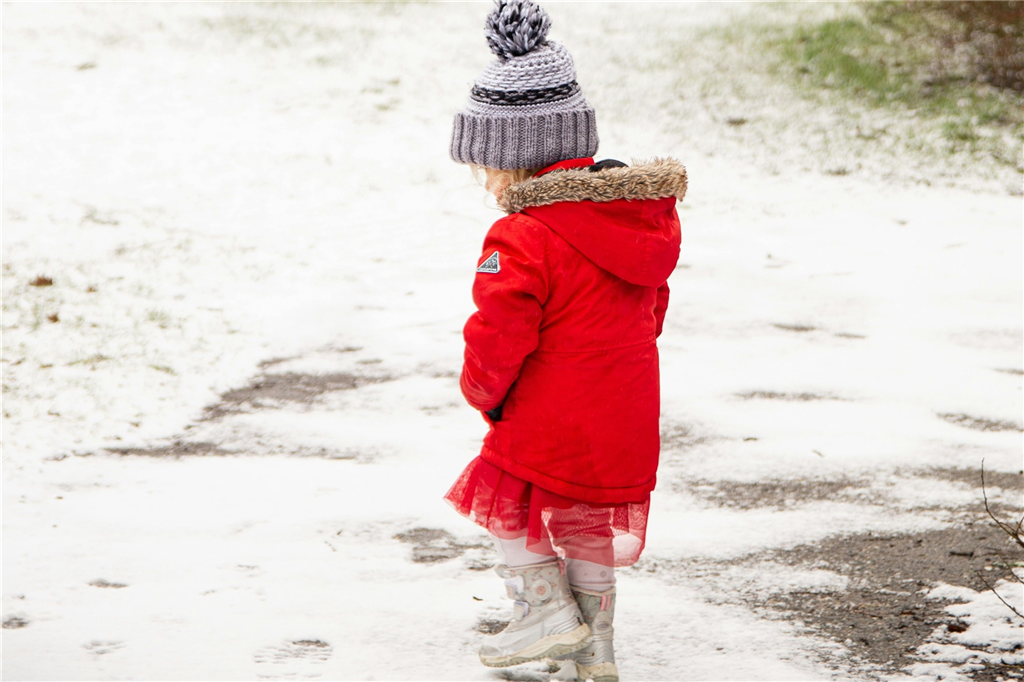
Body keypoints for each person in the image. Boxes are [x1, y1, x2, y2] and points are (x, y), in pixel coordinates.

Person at [444, 1, 686, 679]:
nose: (486, 184)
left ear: (517, 160)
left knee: (499, 501)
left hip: (550, 415)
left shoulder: (522, 234)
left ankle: (546, 613)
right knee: (585, 526)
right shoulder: (638, 219)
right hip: (625, 415)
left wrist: (481, 392)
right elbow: (652, 307)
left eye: (487, 167)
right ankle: (596, 649)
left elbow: (499, 334)